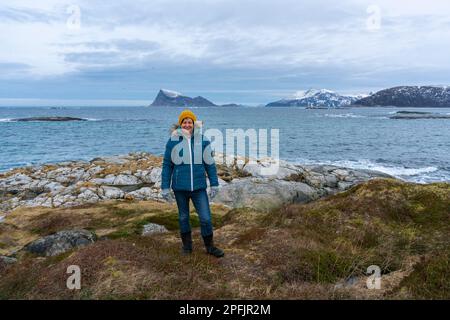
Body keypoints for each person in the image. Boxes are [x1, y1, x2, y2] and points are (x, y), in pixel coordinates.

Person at [160, 109, 224, 258]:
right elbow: (167, 165)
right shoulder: (173, 141)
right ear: (180, 124)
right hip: (179, 187)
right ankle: (187, 247)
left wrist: (214, 183)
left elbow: (210, 164)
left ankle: (210, 247)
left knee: (206, 218)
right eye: (184, 122)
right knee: (183, 217)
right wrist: (165, 187)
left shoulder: (203, 141)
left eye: (190, 122)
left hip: (199, 187)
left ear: (194, 124)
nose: (187, 124)